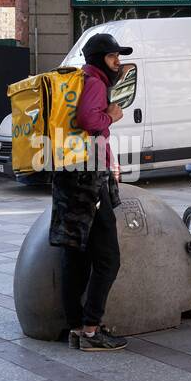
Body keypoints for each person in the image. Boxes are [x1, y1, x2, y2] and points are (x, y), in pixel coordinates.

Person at [49, 33, 129, 351]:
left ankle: (76, 325)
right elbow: (88, 119)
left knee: (75, 253)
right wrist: (111, 115)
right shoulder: (95, 82)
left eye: (119, 58)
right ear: (98, 59)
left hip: (71, 174)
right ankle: (92, 330)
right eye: (113, 57)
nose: (117, 64)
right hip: (88, 179)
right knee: (109, 258)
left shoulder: (81, 81)